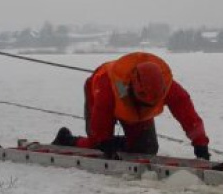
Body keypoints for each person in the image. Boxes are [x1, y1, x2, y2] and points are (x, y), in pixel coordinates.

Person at [51, 52, 210, 159]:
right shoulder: (108, 86)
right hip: (96, 91)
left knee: (147, 148)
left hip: (129, 107)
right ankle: (66, 139)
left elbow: (186, 112)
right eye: (142, 102)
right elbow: (101, 113)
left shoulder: (166, 86)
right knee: (98, 146)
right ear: (132, 87)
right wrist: (104, 141)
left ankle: (121, 142)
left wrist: (200, 143)